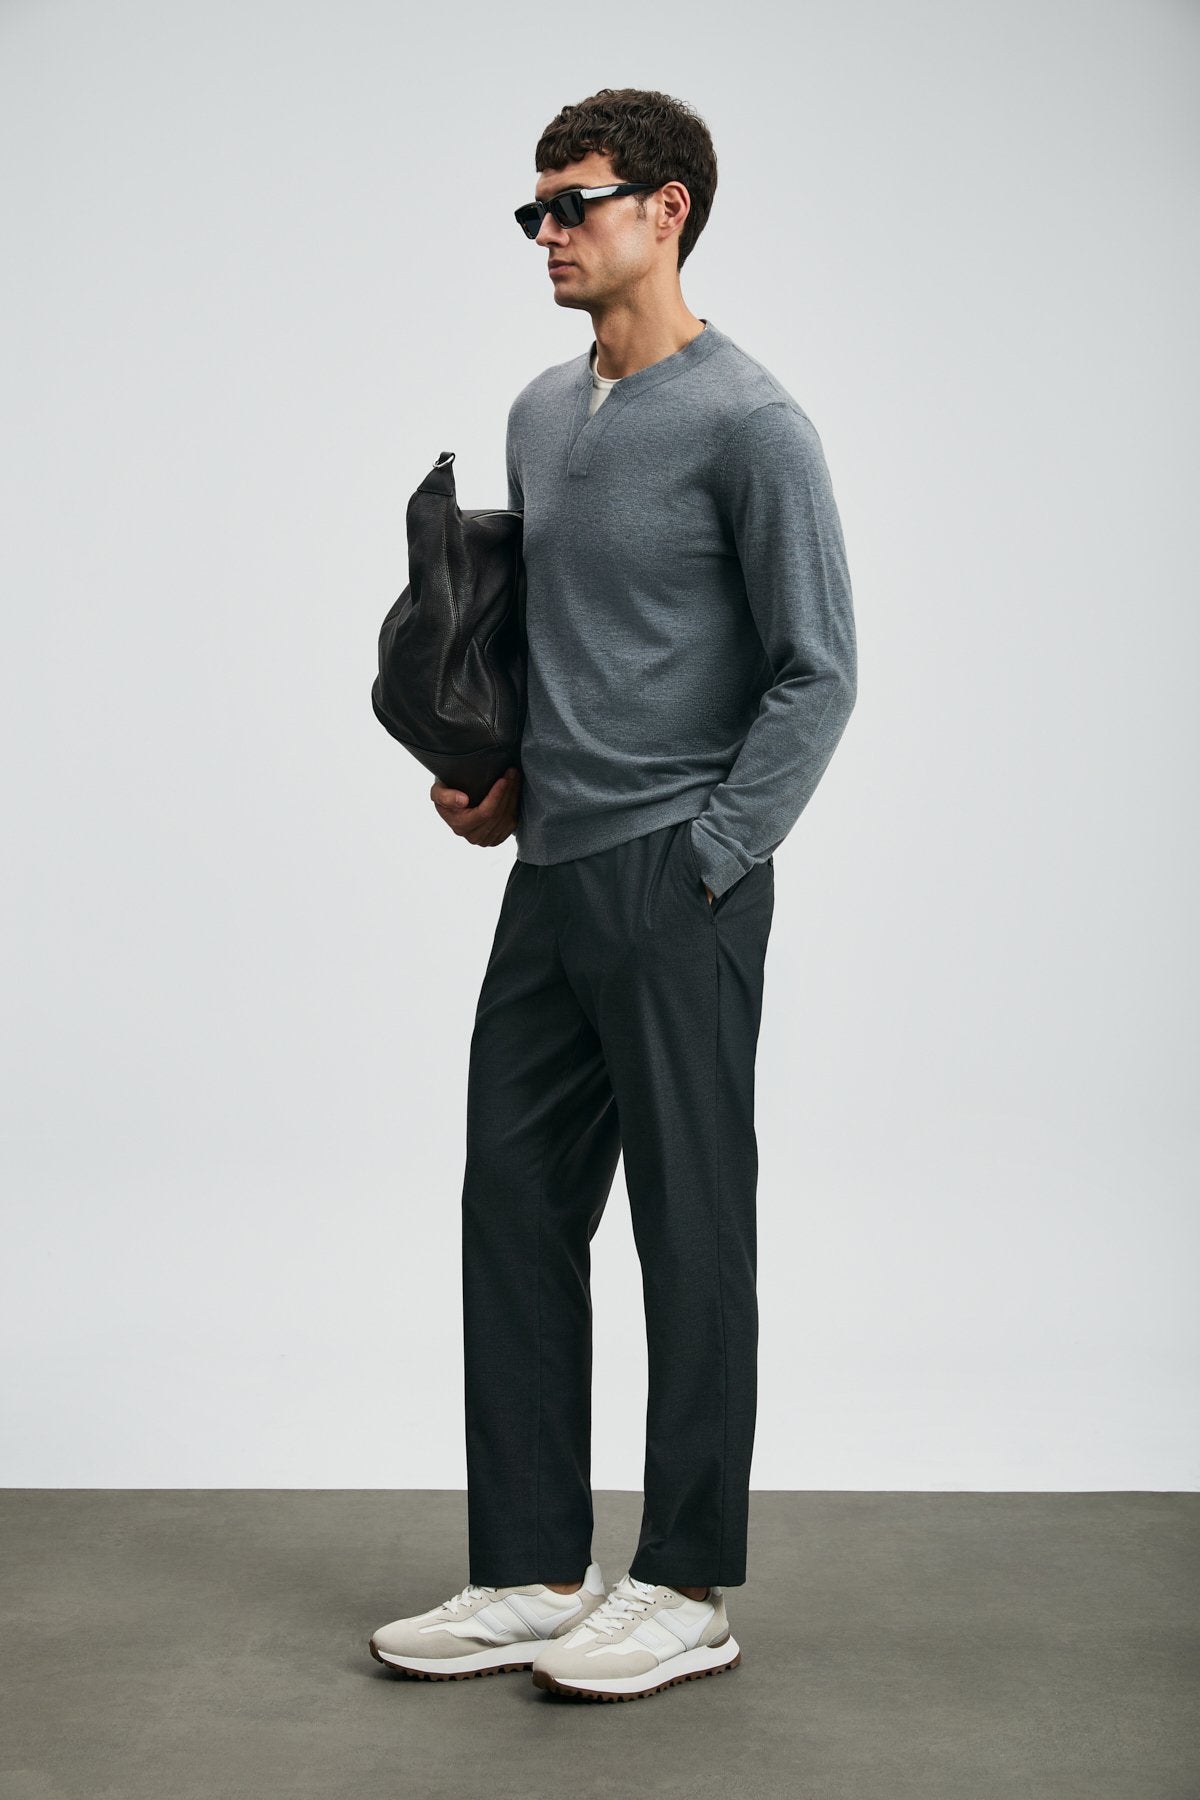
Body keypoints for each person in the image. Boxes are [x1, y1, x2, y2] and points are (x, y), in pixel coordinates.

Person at [370, 85, 857, 1703]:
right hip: (551, 869)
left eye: (573, 203)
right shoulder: (538, 412)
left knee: (688, 1227)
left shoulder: (751, 424)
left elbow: (818, 670)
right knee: (513, 1206)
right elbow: (552, 640)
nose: (548, 233)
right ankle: (529, 1567)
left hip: (676, 875)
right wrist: (500, 776)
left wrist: (717, 854)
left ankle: (687, 1586)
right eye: (536, 210)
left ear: (668, 210)